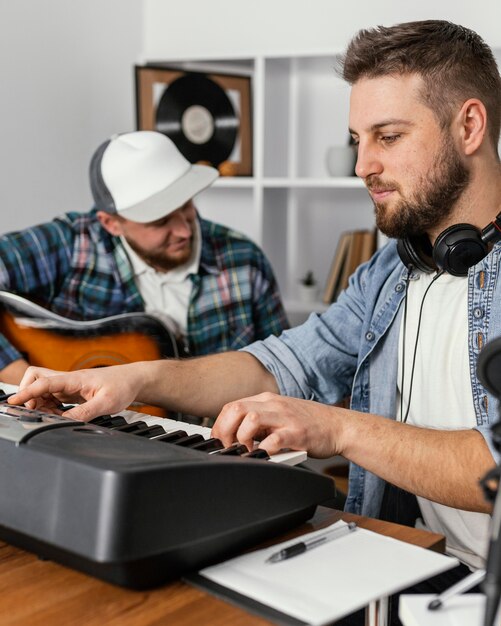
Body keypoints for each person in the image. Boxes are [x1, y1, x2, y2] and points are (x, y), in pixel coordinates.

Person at [9, 20, 501, 624]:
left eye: (388, 136)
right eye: (357, 139)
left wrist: (337, 429)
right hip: (412, 557)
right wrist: (137, 379)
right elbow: (279, 364)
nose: (362, 165)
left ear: (469, 125)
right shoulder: (390, 272)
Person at [0, 130, 288, 383]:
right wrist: (21, 377)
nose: (185, 231)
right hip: (95, 439)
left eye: (186, 206)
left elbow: (283, 369)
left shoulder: (244, 260)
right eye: (159, 220)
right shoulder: (71, 244)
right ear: (111, 223)